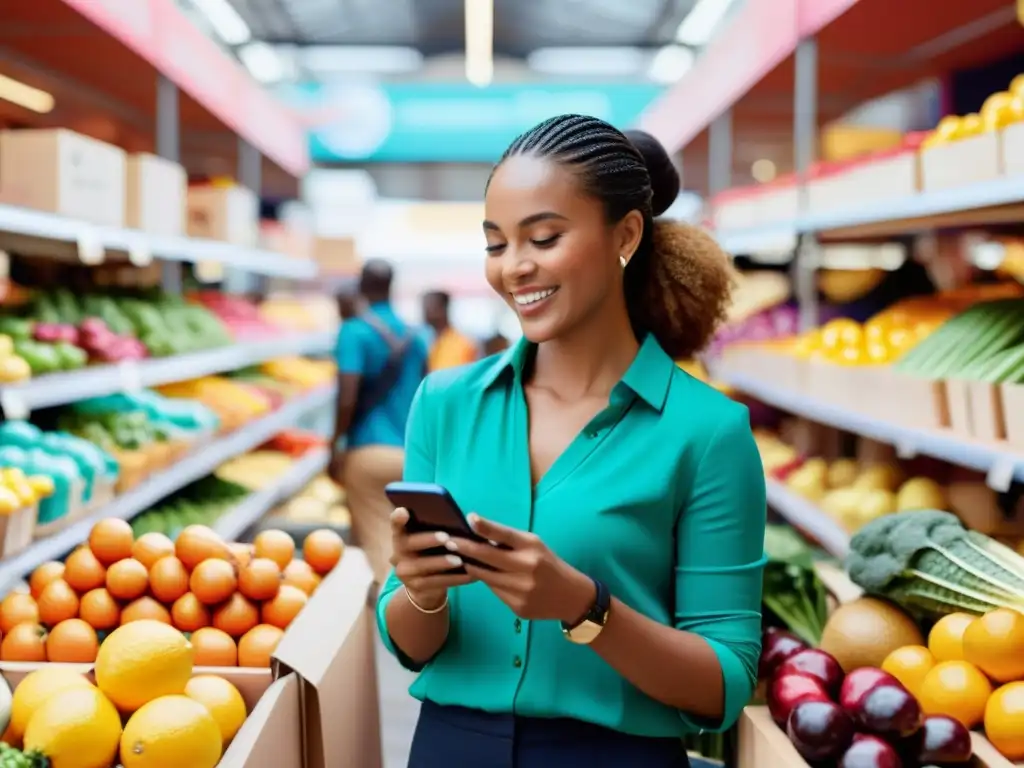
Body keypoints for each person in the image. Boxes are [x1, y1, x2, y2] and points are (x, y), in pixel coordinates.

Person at [376, 114, 767, 767]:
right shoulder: (444, 403)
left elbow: (723, 684)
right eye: (496, 245)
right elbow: (411, 645)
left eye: (545, 238)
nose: (514, 269)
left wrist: (585, 608)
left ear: (627, 235)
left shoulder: (707, 433)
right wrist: (420, 591)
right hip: (449, 747)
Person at [331, 258, 428, 582]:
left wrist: (335, 446)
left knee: (377, 551)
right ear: (391, 287)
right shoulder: (417, 335)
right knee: (409, 545)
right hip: (412, 454)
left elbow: (347, 396)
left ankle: (384, 628)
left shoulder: (354, 332)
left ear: (361, 286)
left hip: (367, 451)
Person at [422, 290, 479, 371]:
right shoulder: (428, 340)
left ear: (443, 309)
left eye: (430, 306)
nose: (425, 312)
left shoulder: (462, 344)